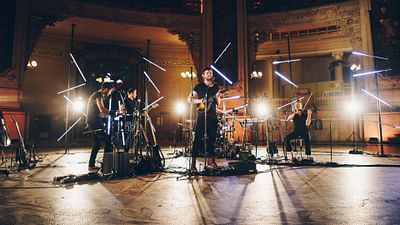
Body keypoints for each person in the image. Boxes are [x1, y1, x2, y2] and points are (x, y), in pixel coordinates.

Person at [187, 67, 221, 172]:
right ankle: (193, 164)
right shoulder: (199, 87)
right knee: (197, 139)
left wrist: (217, 97)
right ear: (203, 76)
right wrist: (200, 100)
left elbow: (218, 102)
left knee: (212, 139)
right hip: (201, 115)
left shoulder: (216, 87)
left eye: (211, 73)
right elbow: (189, 100)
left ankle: (211, 161)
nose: (210, 74)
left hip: (212, 116)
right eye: (207, 73)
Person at [86, 82, 113, 171]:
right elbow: (102, 109)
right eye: (109, 91)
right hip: (94, 122)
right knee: (108, 141)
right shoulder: (98, 96)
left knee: (97, 143)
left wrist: (106, 115)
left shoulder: (96, 95)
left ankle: (91, 165)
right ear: (105, 89)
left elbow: (99, 112)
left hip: (93, 121)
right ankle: (107, 165)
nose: (109, 93)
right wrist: (114, 112)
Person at [123, 88, 138, 152]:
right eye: (135, 93)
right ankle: (126, 151)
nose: (136, 95)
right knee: (128, 136)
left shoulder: (134, 101)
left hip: (133, 121)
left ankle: (130, 151)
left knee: (132, 136)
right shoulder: (125, 101)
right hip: (128, 121)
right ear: (131, 93)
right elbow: (128, 111)